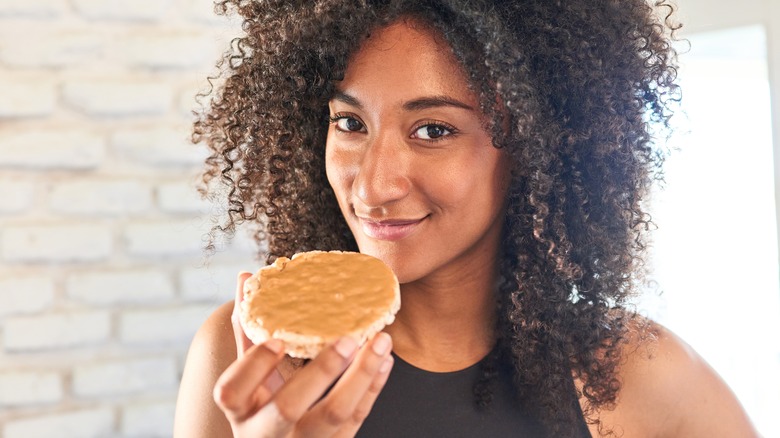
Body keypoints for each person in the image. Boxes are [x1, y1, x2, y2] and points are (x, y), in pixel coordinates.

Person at [173, 1, 759, 436]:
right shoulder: (245, 363)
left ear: (534, 145)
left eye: (434, 130)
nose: (374, 186)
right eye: (350, 124)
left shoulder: (634, 378)